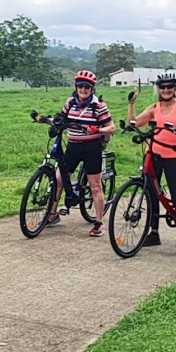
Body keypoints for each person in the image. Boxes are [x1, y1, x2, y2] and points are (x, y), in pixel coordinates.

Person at [125, 73, 176, 257]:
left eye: (169, 87)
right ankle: (154, 233)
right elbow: (133, 123)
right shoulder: (154, 107)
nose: (166, 90)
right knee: (151, 193)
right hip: (154, 154)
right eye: (162, 87)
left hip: (173, 156)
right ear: (158, 89)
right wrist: (131, 104)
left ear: (175, 88)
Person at [35, 70, 112, 238]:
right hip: (73, 147)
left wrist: (97, 129)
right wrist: (45, 120)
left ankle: (99, 223)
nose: (83, 89)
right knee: (59, 179)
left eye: (86, 87)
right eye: (80, 86)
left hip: (92, 148)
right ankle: (53, 214)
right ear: (76, 87)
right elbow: (61, 117)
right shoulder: (70, 102)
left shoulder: (98, 106)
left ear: (92, 89)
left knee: (95, 186)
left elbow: (111, 127)